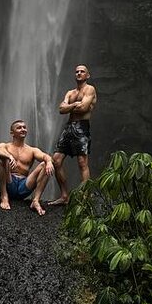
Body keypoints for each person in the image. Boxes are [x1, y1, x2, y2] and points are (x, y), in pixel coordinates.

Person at [48, 64, 97, 207]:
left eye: (82, 71)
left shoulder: (90, 89)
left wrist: (70, 106)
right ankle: (64, 196)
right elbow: (61, 109)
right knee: (56, 161)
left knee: (82, 162)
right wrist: (75, 104)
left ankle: (86, 197)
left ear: (88, 75)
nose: (79, 73)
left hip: (81, 127)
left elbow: (84, 108)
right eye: (77, 71)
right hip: (68, 127)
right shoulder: (70, 92)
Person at [0, 120, 54, 216]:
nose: (23, 129)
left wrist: (49, 161)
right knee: (1, 159)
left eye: (24, 127)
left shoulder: (32, 150)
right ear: (12, 133)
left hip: (23, 186)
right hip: (8, 182)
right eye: (19, 127)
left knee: (45, 163)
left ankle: (35, 201)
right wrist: (9, 157)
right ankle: (4, 197)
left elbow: (45, 156)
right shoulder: (5, 146)